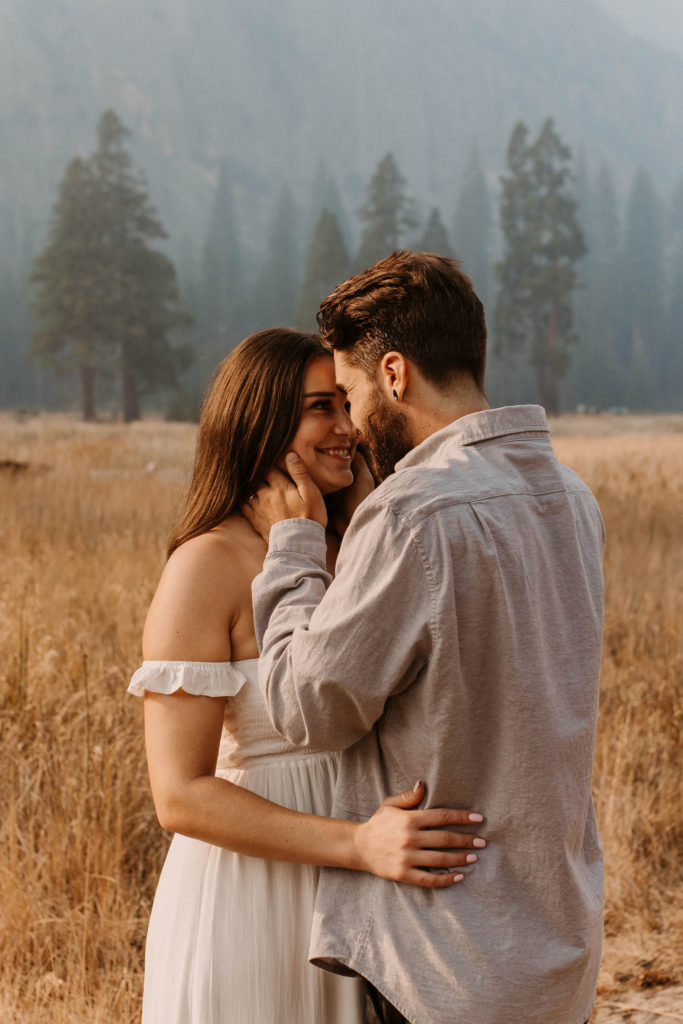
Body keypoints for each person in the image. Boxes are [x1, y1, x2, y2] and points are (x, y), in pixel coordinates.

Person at [244, 253, 605, 1024]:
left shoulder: (414, 513)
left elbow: (307, 709)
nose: (347, 418)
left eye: (350, 391)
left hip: (446, 955)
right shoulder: (571, 498)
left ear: (396, 374)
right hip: (556, 949)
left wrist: (295, 550)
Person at [127, 327, 486, 1024]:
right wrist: (356, 844)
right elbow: (179, 795)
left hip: (371, 901)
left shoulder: (367, 543)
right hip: (254, 895)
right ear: (259, 420)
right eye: (320, 407)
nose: (348, 427)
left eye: (344, 403)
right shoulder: (208, 564)